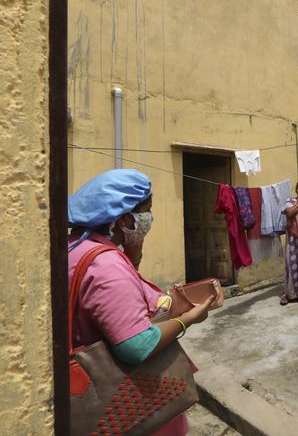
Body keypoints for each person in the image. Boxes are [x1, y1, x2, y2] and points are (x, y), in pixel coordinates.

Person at [68, 169, 222, 435]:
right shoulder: (106, 265)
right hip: (128, 404)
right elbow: (136, 345)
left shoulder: (76, 246)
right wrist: (188, 319)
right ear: (125, 218)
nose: (149, 218)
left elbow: (117, 305)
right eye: (146, 211)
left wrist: (133, 253)